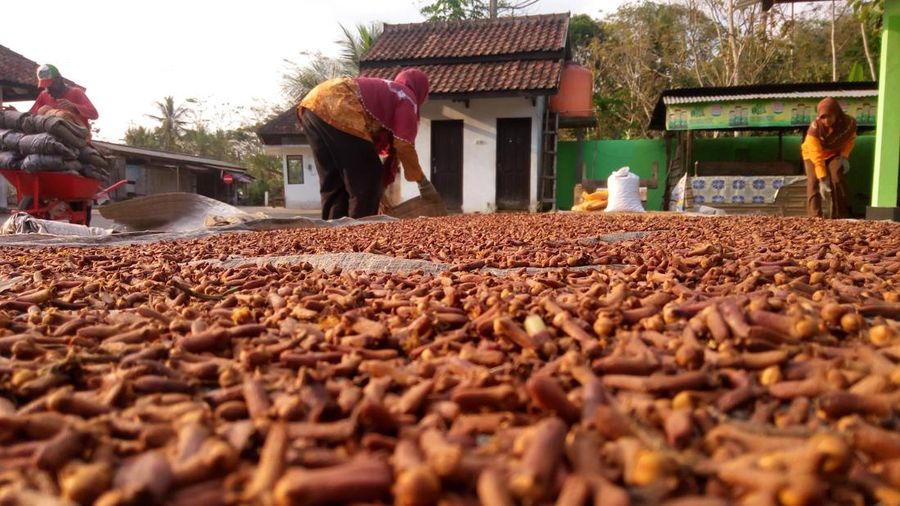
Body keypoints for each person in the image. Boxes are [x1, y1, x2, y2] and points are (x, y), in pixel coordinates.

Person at [297, 68, 437, 219]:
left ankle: (333, 234)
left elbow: (377, 148)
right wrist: (423, 182)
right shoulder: (407, 97)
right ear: (420, 91)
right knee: (369, 175)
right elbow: (403, 144)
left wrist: (380, 193)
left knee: (335, 180)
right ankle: (361, 231)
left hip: (312, 105)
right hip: (339, 103)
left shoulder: (390, 91)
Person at [800, 97, 856, 219]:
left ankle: (840, 214)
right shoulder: (814, 129)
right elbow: (816, 155)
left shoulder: (849, 123)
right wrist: (822, 179)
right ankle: (815, 216)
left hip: (834, 152)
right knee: (813, 181)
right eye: (822, 117)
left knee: (837, 176)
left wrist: (844, 156)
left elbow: (850, 140)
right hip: (812, 154)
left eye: (829, 116)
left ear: (836, 114)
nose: (826, 120)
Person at [29, 64, 98, 131]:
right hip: (52, 137)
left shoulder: (76, 92)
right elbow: (30, 116)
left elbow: (94, 114)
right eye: (45, 86)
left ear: (59, 79)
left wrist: (75, 107)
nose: (48, 89)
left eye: (50, 85)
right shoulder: (44, 95)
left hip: (76, 138)